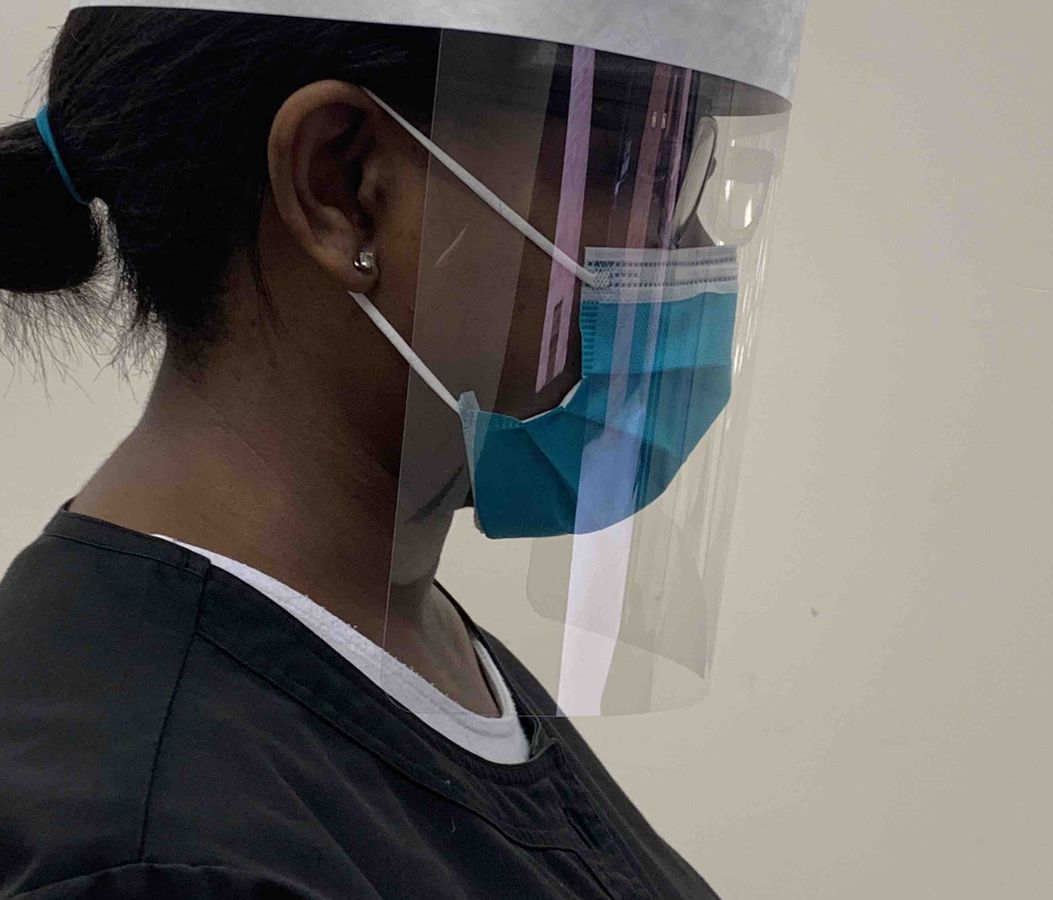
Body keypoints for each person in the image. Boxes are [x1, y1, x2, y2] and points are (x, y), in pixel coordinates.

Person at [0, 4, 805, 897]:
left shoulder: (412, 663)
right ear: (343, 186)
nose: (693, 251)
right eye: (643, 168)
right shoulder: (149, 850)